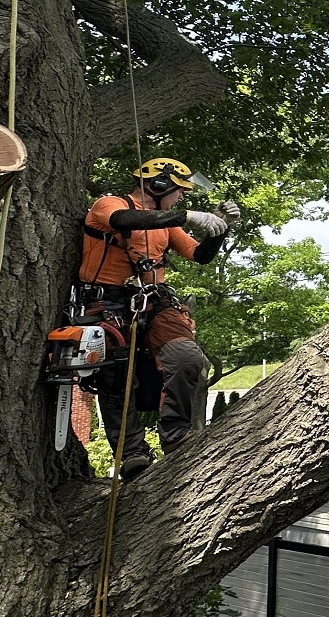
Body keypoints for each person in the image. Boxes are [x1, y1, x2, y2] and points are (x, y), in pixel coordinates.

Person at [77, 157, 238, 480]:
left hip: (154, 300)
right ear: (159, 185)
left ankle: (176, 432)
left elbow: (199, 255)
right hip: (108, 302)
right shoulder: (109, 204)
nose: (181, 199)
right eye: (178, 192)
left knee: (188, 358)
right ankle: (132, 452)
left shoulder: (167, 224)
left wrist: (219, 229)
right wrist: (187, 215)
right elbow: (125, 219)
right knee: (115, 378)